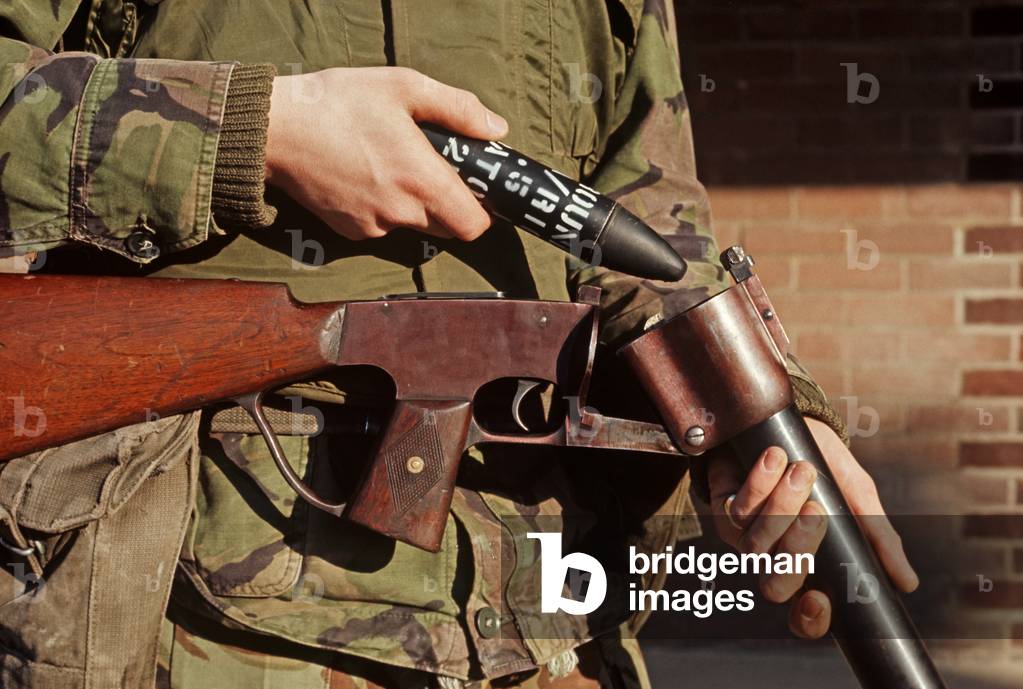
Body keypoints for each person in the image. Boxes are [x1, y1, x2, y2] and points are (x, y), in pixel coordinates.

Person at [0, 2, 917, 688]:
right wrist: (258, 129)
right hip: (191, 622)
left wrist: (759, 420)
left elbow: (646, 227)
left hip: (545, 628)